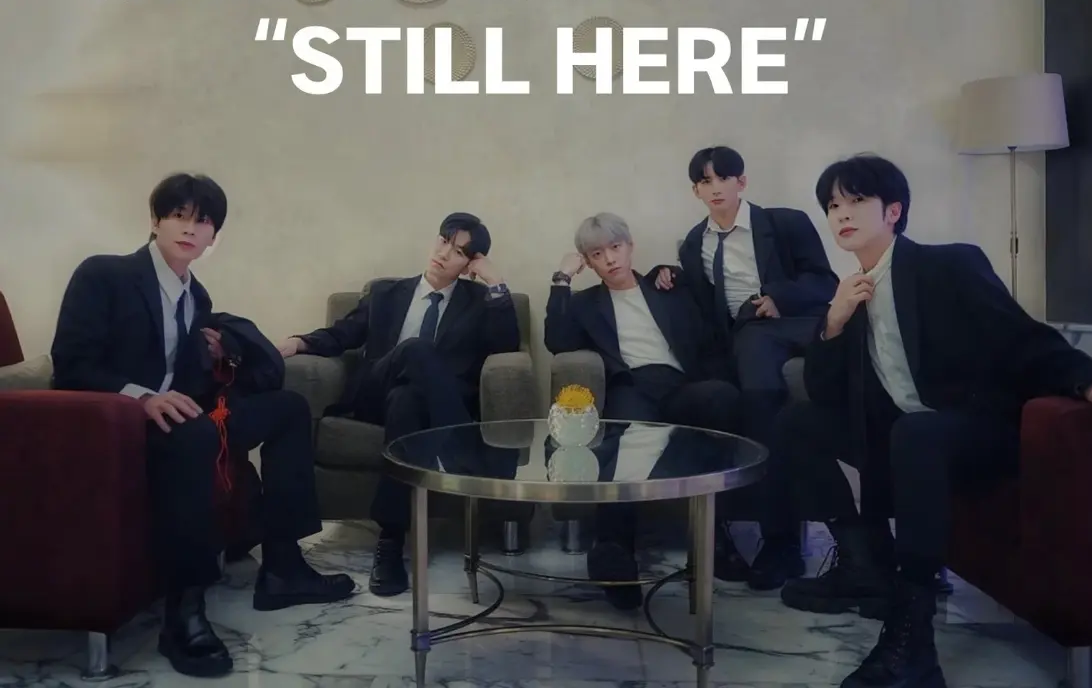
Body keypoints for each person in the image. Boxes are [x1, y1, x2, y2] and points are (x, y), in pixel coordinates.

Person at [774, 154, 1092, 688]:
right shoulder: (852, 293)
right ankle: (863, 566)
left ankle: (912, 638)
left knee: (916, 432)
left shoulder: (946, 265)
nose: (841, 214)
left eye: (856, 200)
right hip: (908, 435)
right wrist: (833, 322)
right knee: (798, 421)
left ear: (893, 211)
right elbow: (827, 395)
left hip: (979, 431)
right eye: (832, 205)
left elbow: (1021, 337)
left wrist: (1085, 379)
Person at [50, 174, 354, 679]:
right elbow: (71, 364)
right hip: (118, 423)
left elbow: (190, 384)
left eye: (203, 221)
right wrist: (142, 398)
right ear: (155, 221)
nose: (190, 229)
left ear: (214, 236)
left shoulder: (199, 298)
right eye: (179, 216)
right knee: (194, 434)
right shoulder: (104, 274)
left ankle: (283, 567)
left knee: (288, 409)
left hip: (183, 420)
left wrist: (217, 361)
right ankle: (184, 613)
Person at [277, 212, 521, 597]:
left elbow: (506, 346)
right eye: (443, 241)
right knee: (417, 350)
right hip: (375, 391)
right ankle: (464, 452)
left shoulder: (479, 302)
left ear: (470, 265)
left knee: (407, 400)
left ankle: (390, 542)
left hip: (417, 407)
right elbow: (343, 333)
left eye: (459, 252)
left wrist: (496, 283)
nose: (444, 253)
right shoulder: (387, 293)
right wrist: (299, 342)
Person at [653, 145, 839, 589]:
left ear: (742, 182)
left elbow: (824, 281)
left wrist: (780, 298)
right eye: (705, 181)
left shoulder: (786, 222)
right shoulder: (695, 243)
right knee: (738, 402)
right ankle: (749, 539)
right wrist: (665, 273)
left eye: (724, 178)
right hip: (745, 334)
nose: (715, 188)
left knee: (763, 402)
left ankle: (782, 543)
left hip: (797, 322)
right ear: (696, 191)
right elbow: (701, 303)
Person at [545, 212, 743, 610]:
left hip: (680, 385)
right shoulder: (586, 304)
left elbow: (707, 331)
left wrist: (675, 273)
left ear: (630, 246)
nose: (610, 259)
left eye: (615, 247)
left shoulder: (665, 286)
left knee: (721, 397)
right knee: (625, 439)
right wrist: (562, 279)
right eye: (597, 254)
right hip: (632, 385)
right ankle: (614, 553)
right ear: (589, 262)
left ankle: (715, 536)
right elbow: (557, 341)